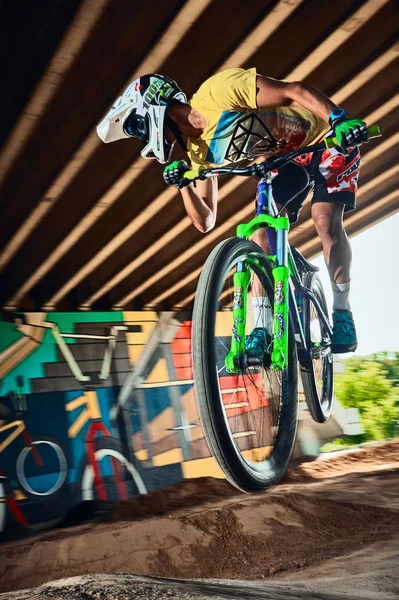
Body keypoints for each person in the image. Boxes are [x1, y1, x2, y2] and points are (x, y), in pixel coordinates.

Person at [97, 68, 369, 354]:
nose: (143, 139)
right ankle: (262, 329)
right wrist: (183, 186)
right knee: (260, 235)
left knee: (324, 219)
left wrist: (338, 119)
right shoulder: (198, 155)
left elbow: (293, 91)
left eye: (138, 128)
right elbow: (206, 220)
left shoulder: (217, 92)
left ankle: (342, 312)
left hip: (327, 139)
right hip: (288, 160)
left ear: (151, 109)